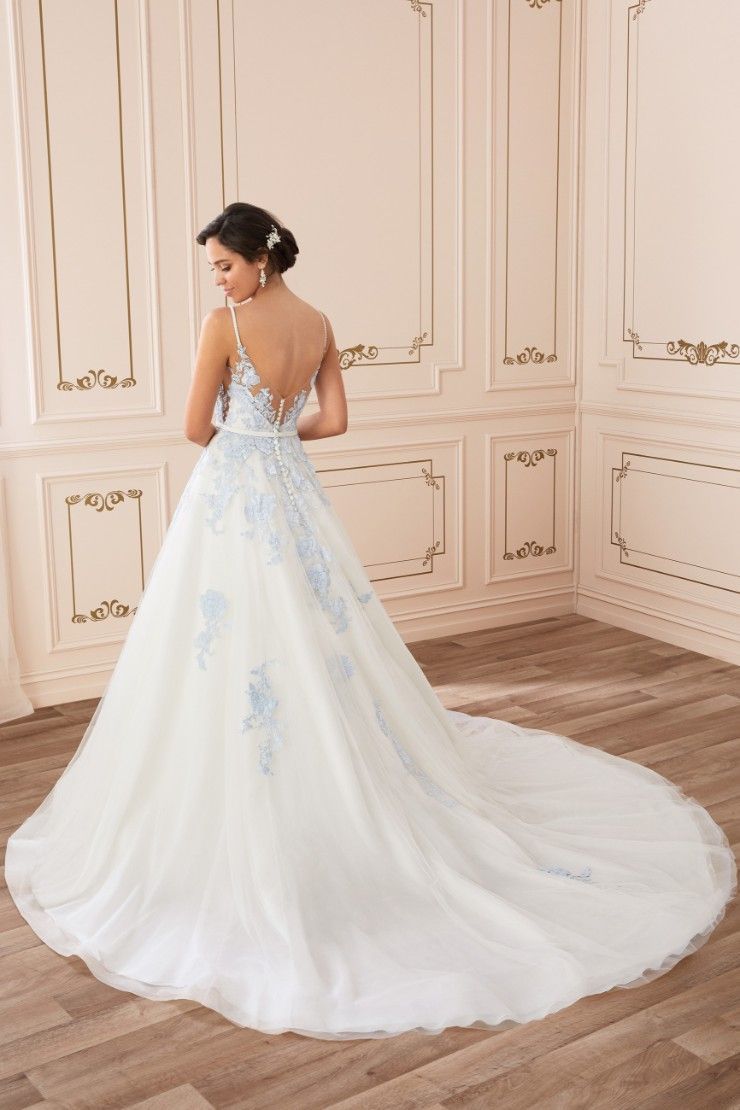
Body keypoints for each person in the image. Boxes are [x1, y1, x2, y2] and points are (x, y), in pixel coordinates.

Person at [6, 202, 737, 1041]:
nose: (217, 279)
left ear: (259, 261)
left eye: (222, 264)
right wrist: (280, 440)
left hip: (232, 490)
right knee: (317, 637)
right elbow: (338, 419)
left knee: (220, 641)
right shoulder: (316, 321)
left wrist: (247, 441)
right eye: (214, 268)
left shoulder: (226, 325)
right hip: (291, 487)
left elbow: (190, 428)